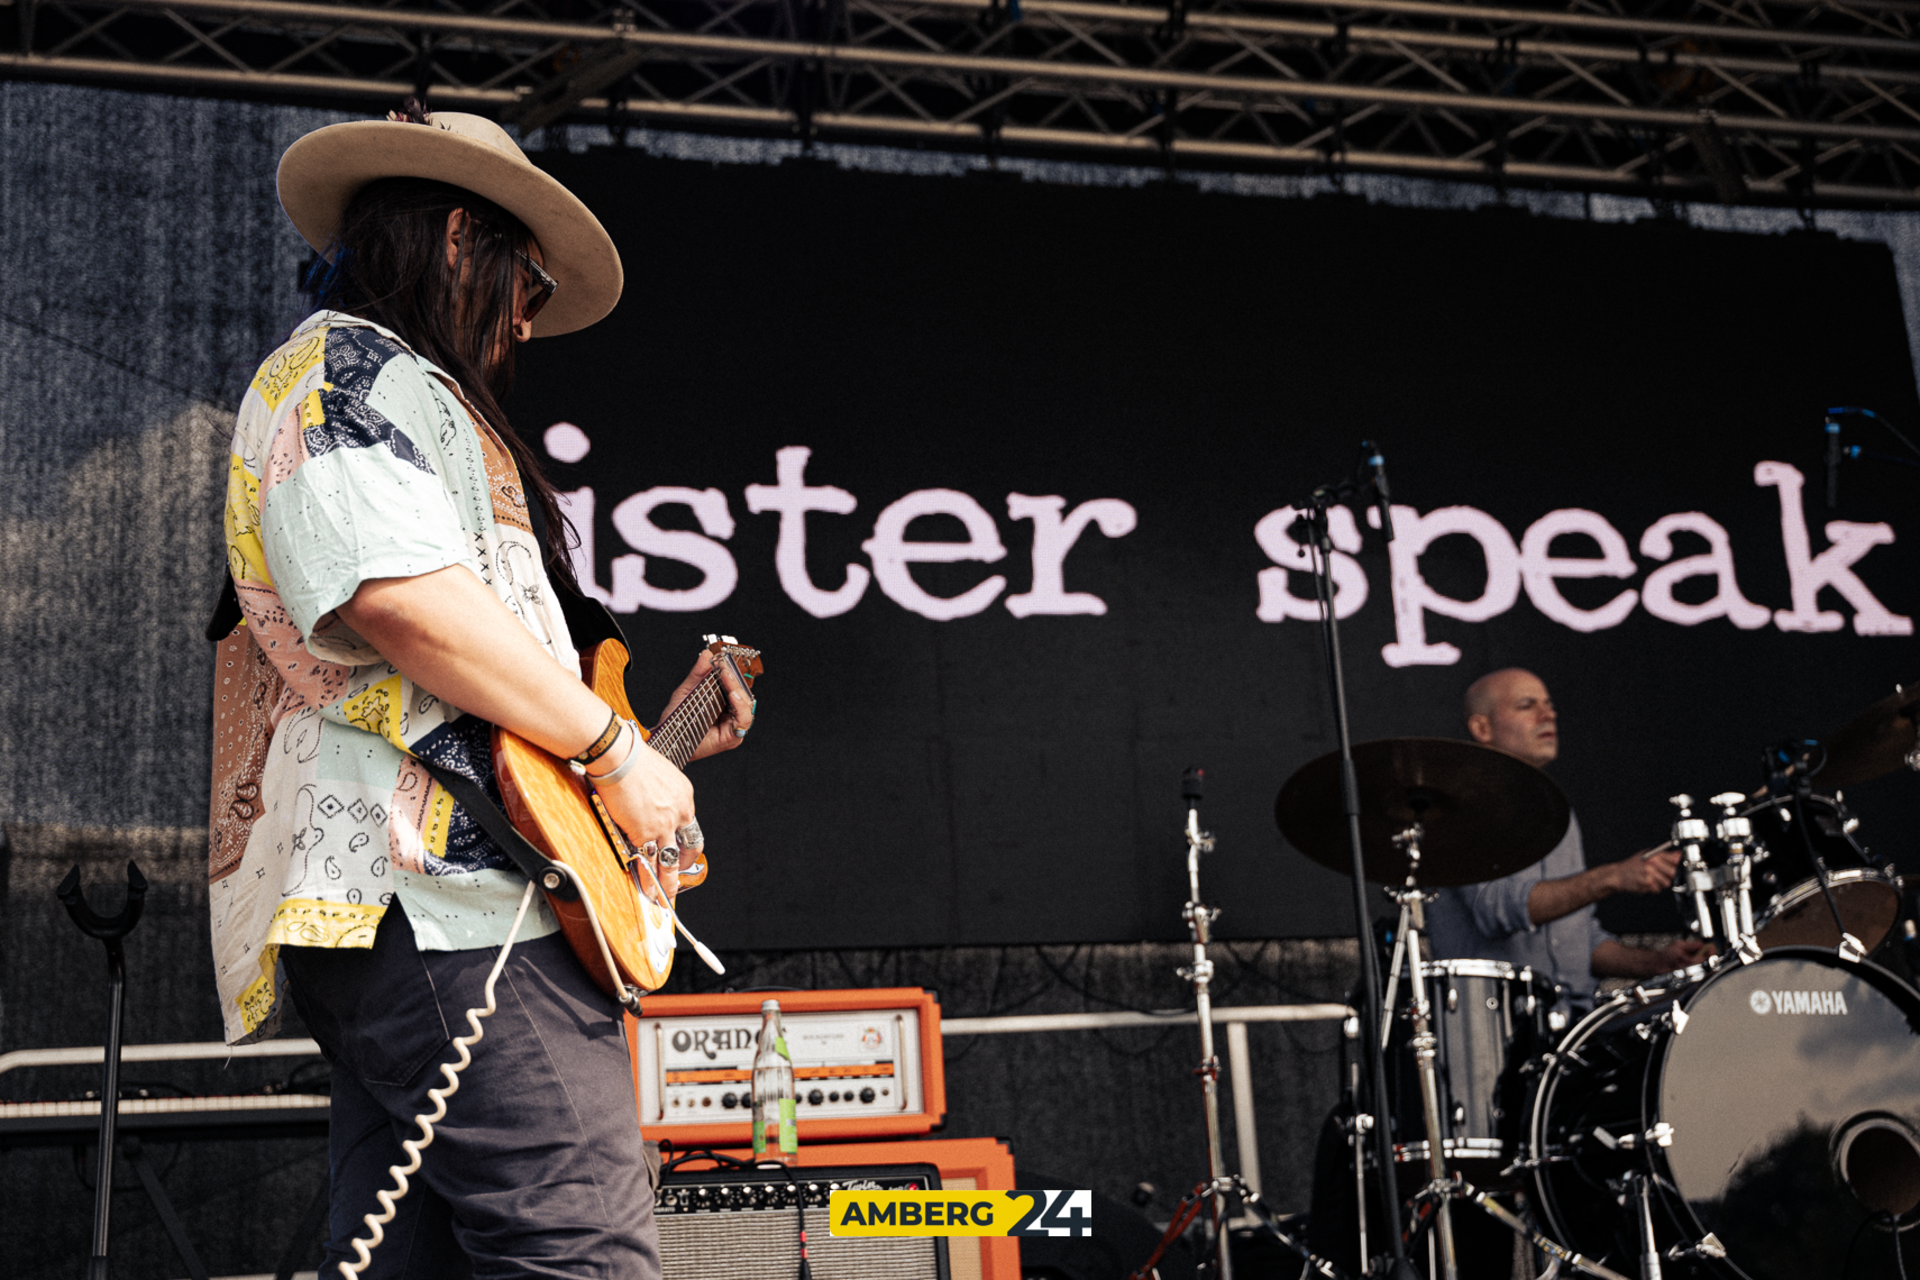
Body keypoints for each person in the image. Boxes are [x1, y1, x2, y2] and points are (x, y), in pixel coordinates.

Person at [206, 104, 753, 1278]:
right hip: (439, 906)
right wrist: (612, 747)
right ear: (462, 238)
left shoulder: (413, 396)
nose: (524, 317)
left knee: (424, 1258)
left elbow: (461, 688)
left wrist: (644, 753)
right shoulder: (347, 367)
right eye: (527, 286)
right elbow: (399, 599)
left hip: (434, 907)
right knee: (584, 1252)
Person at [1426, 667, 1711, 1005]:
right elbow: (1497, 909)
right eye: (1527, 705)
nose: (1548, 715)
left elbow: (1578, 938)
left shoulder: (1557, 812)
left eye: (1548, 705)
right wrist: (1613, 877)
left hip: (1573, 1020)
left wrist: (1656, 963)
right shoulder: (1459, 807)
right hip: (1495, 1021)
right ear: (1481, 728)